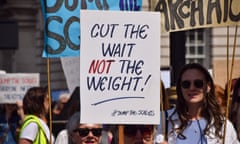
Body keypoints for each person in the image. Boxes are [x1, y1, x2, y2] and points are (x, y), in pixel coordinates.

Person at [157, 63, 239, 144]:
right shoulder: (162, 120)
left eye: (198, 83)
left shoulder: (222, 125)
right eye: (186, 84)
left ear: (208, 87)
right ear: (180, 88)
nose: (192, 88)